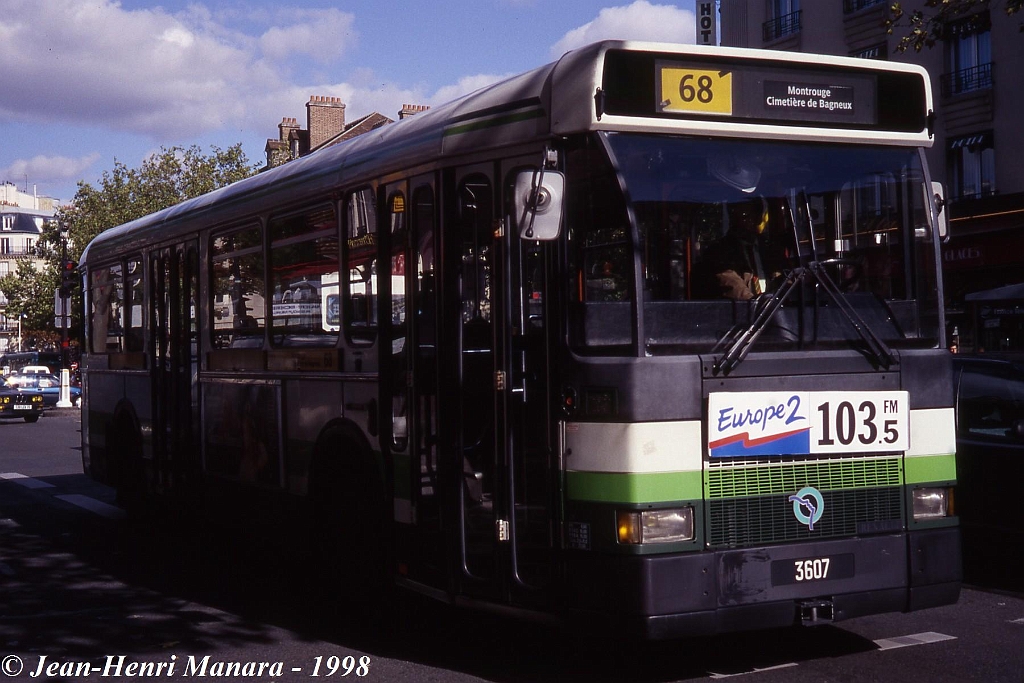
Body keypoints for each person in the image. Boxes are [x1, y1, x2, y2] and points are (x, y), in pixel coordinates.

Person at [695, 196, 771, 300]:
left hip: (778, 312)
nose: (739, 221)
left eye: (745, 216)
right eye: (734, 215)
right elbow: (732, 284)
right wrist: (758, 305)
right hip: (744, 313)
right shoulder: (719, 251)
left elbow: (786, 277)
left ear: (758, 218)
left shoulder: (770, 248)